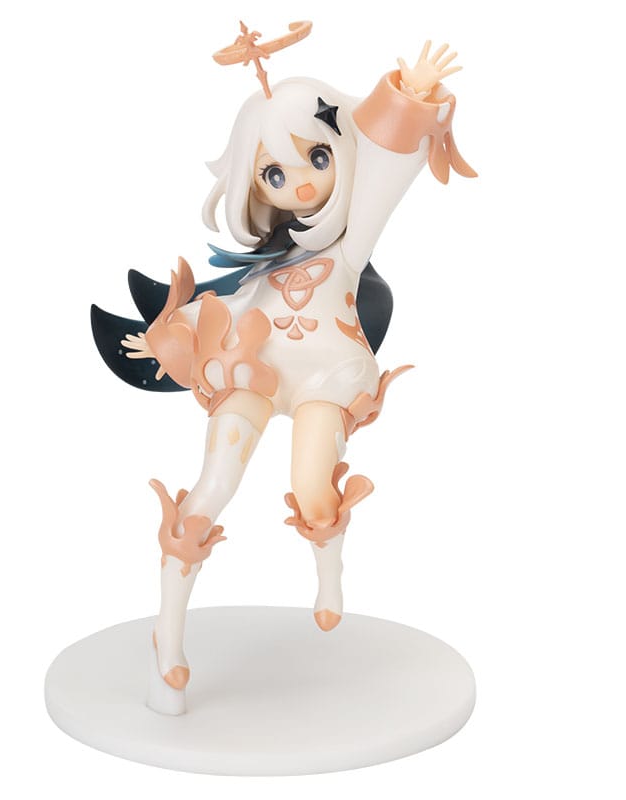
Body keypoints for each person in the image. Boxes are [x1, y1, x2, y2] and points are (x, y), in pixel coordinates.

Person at [92, 40, 475, 695]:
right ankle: (169, 635)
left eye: (317, 158)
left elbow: (390, 169)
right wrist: (167, 338)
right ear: (254, 183)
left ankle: (328, 573)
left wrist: (409, 97)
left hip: (328, 372)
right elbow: (219, 310)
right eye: (275, 172)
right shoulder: (262, 267)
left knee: (313, 484)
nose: (299, 183)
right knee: (211, 488)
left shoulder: (350, 244)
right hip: (253, 368)